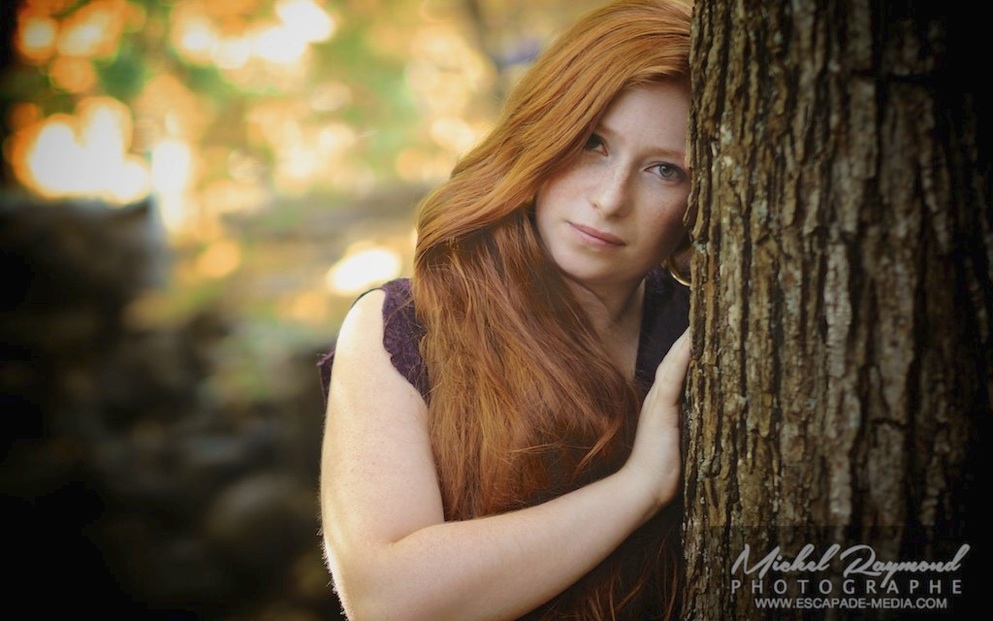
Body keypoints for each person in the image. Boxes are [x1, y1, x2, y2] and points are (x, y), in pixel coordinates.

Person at [318, 0, 694, 618]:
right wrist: (639, 486)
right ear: (545, 131)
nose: (609, 199)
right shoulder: (407, 326)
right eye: (593, 144)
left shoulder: (705, 341)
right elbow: (388, 601)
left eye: (664, 170)